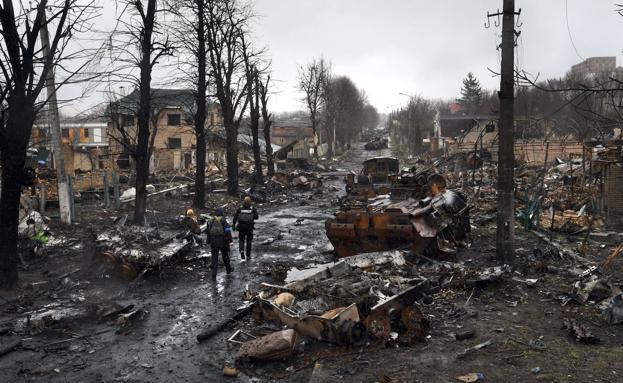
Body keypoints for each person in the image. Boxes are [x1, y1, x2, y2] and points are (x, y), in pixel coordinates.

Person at [206, 207, 233, 279]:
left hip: (213, 242)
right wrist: (230, 240)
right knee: (225, 256)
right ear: (221, 213)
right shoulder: (223, 220)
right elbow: (227, 231)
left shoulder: (210, 220)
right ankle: (228, 270)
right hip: (223, 242)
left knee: (214, 258)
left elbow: (208, 232)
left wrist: (208, 241)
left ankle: (214, 275)